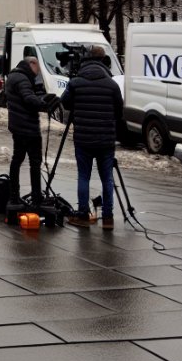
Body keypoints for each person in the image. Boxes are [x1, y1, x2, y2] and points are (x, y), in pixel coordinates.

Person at [59, 44, 124, 229]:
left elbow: (64, 103)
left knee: (83, 177)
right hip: (106, 139)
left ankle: (82, 215)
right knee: (107, 179)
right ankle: (108, 218)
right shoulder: (112, 84)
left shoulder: (76, 82)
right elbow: (119, 112)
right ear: (104, 61)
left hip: (84, 138)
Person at [4, 52, 54, 206]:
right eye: (38, 67)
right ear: (31, 64)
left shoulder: (14, 76)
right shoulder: (23, 78)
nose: (38, 71)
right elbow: (28, 98)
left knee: (17, 159)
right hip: (28, 127)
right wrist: (44, 104)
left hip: (18, 125)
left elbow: (26, 97)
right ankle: (37, 196)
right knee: (34, 162)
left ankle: (14, 194)